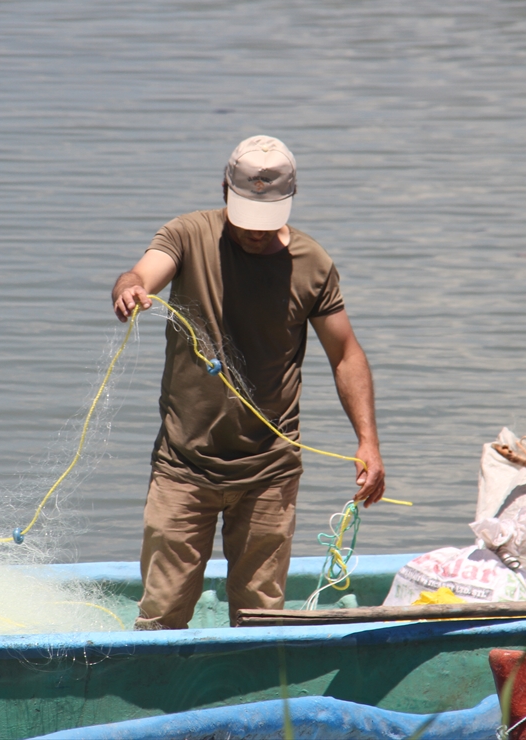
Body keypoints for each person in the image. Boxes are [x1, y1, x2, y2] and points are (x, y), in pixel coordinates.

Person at [111, 135, 385, 629]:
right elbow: (143, 271)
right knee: (161, 615)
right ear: (224, 191)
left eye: (268, 218)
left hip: (269, 472)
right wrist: (131, 288)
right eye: (246, 218)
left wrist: (368, 441)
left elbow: (345, 353)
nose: (256, 233)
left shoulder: (313, 265)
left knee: (260, 618)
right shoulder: (188, 235)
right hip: (184, 466)